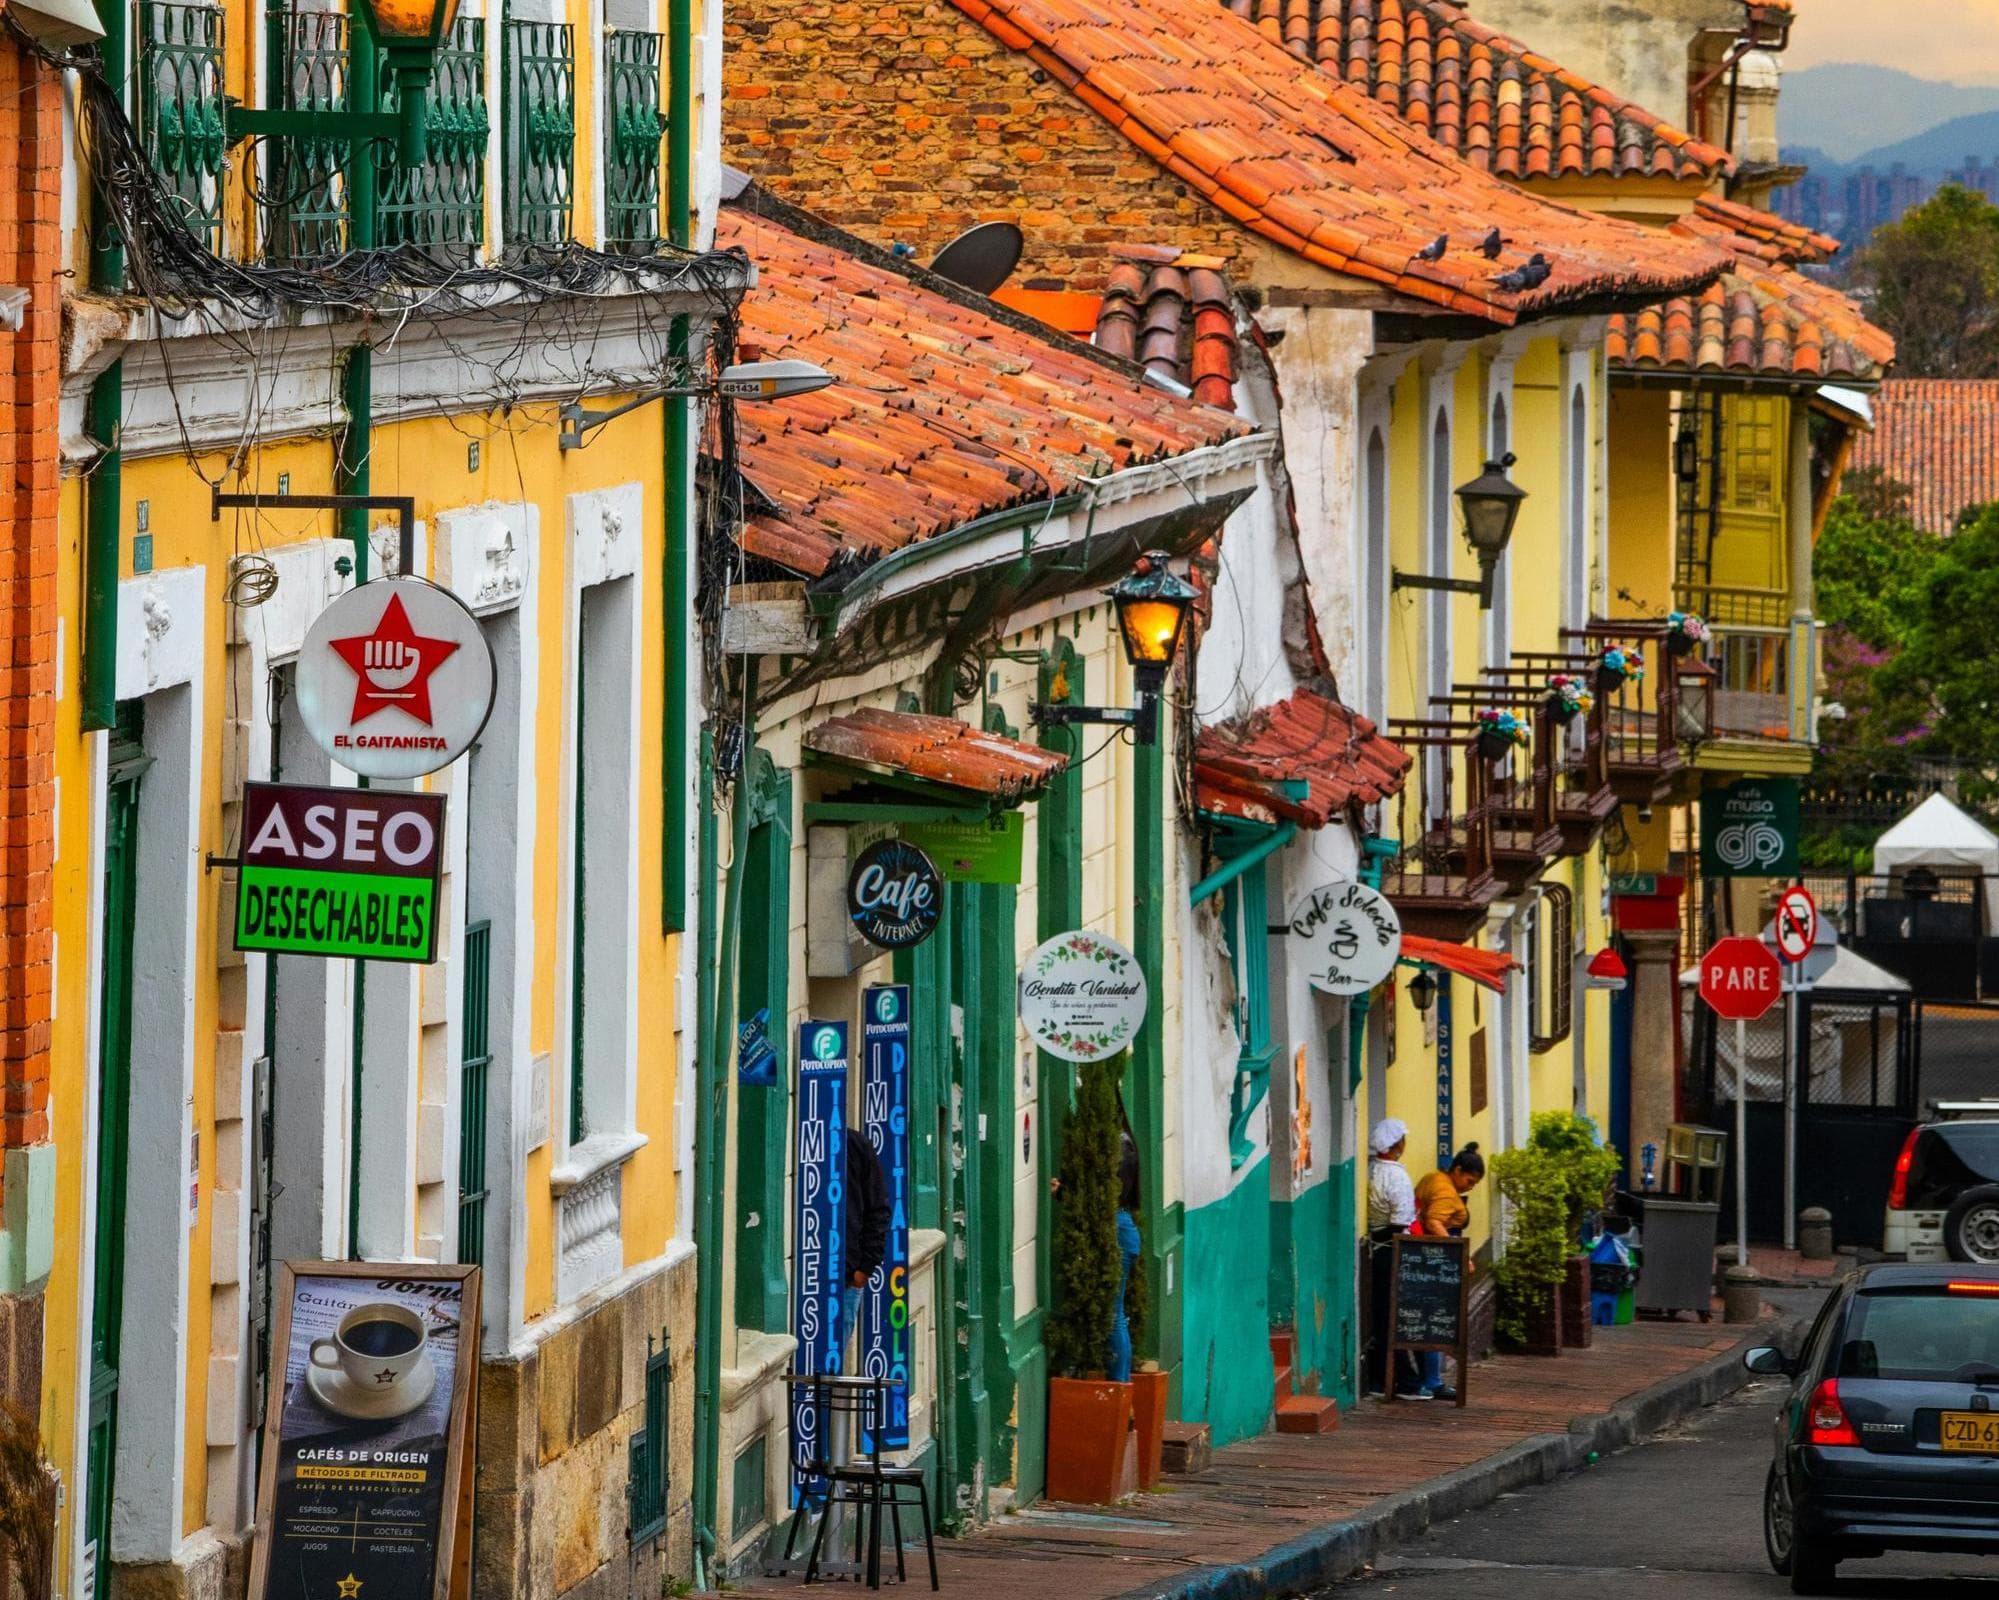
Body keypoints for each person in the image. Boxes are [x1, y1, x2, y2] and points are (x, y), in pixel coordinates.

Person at [1410, 1143, 1485, 1401]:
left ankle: (1429, 1379)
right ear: (1457, 1169)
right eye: (1469, 1180)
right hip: (1436, 1258)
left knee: (1426, 1319)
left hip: (1425, 1254)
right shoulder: (1444, 1187)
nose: (1469, 1186)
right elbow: (1433, 1220)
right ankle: (1432, 1381)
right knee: (1435, 1319)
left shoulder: (1435, 1178)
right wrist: (1460, 1255)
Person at [1364, 1118, 1426, 1399]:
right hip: (1394, 1250)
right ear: (1397, 1144)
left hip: (1374, 1249)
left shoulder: (1371, 1171)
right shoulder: (1397, 1176)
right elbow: (1402, 1220)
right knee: (1394, 1317)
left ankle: (1379, 1378)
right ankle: (1406, 1381)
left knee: (1379, 1315)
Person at [842, 1126, 891, 1364]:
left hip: (847, 1276)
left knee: (830, 1361)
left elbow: (878, 1209)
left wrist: (865, 1268)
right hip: (808, 1275)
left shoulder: (855, 1145)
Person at [1109, 1136, 1142, 1382]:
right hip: (1125, 1227)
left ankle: (1120, 1383)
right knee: (1117, 1313)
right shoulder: (1128, 1147)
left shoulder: (1119, 1149)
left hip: (1119, 1231)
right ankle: (1122, 1383)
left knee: (1114, 1314)